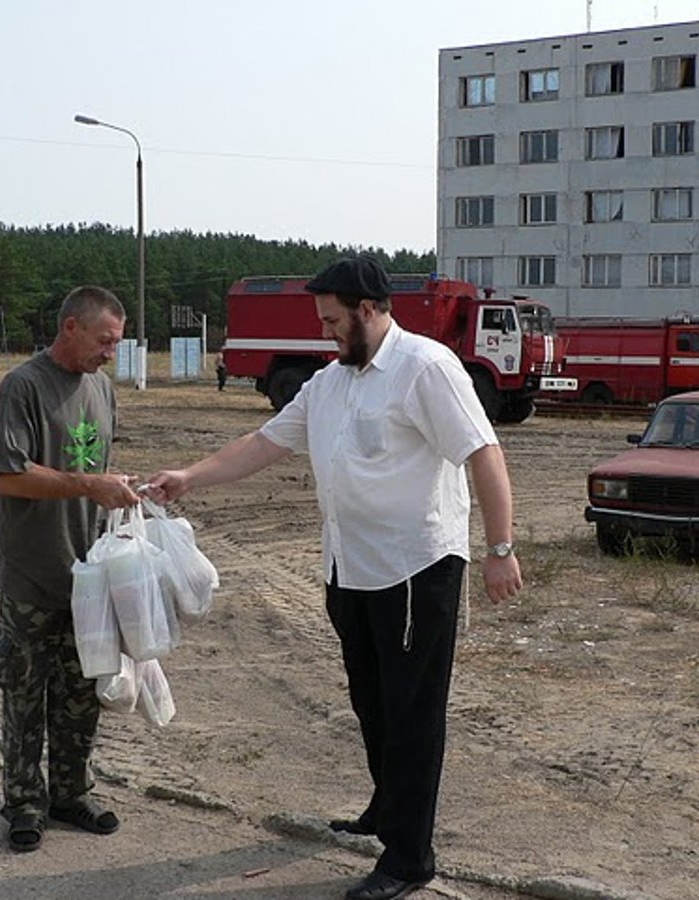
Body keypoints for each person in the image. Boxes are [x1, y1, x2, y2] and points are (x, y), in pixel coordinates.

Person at [147, 256, 522, 900]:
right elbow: (263, 444)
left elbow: (484, 452)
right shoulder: (331, 383)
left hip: (415, 570)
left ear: (369, 310)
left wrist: (500, 548)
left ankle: (409, 859)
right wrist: (188, 477)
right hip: (348, 568)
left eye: (332, 320)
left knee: (412, 713)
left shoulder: (426, 369)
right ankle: (388, 808)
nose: (326, 332)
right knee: (371, 701)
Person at [0, 285, 143, 853]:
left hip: (87, 579)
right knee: (24, 694)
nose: (111, 353)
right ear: (70, 327)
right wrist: (88, 485)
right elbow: (8, 475)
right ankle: (24, 803)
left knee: (81, 694)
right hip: (32, 576)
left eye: (116, 344)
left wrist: (116, 485)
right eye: (105, 341)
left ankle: (71, 792)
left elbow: (91, 468)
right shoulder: (23, 386)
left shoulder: (102, 389)